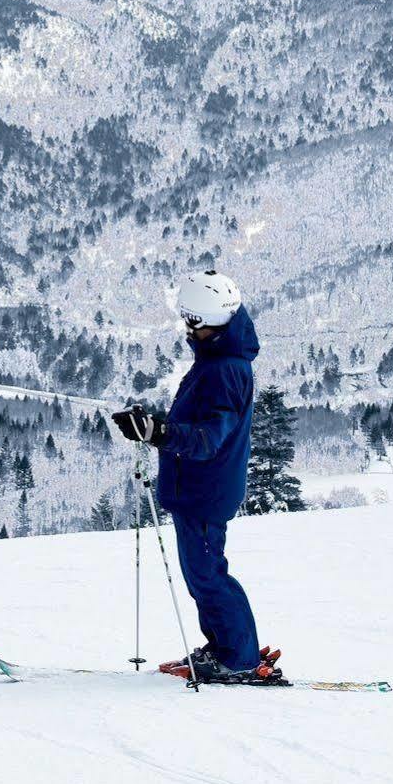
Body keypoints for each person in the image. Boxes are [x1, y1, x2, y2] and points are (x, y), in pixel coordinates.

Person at [112, 269, 282, 684]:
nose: (188, 329)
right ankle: (227, 646)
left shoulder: (223, 369)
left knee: (207, 576)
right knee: (203, 575)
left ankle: (238, 657)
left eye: (191, 321)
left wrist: (158, 433)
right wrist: (155, 426)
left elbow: (208, 438)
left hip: (205, 490)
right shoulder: (220, 360)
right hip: (202, 487)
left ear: (204, 322)